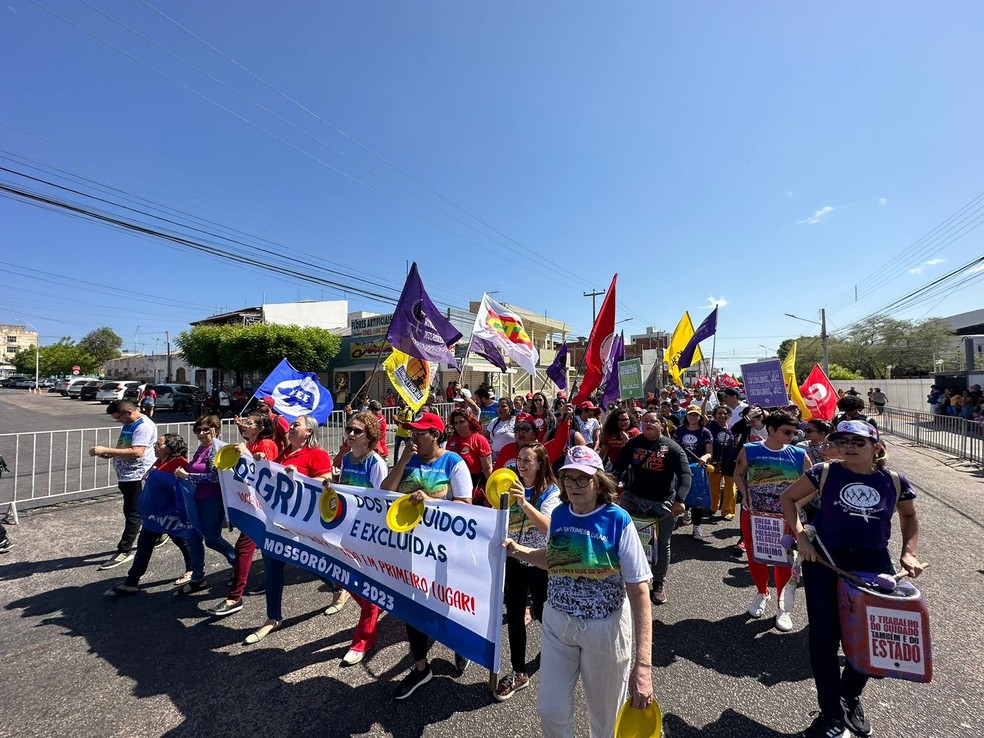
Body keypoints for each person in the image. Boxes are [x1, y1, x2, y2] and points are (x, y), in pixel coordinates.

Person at [780, 420, 925, 738]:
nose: (848, 446)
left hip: (873, 566)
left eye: (858, 441)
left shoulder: (895, 481)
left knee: (872, 638)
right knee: (823, 639)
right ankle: (830, 714)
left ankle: (850, 695)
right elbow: (788, 500)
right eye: (842, 440)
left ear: (877, 447)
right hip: (825, 564)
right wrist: (801, 536)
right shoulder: (825, 472)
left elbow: (910, 516)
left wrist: (909, 553)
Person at [504, 446, 654, 737]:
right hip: (558, 624)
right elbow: (555, 559)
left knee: (605, 717)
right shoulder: (559, 515)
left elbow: (639, 592)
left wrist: (644, 666)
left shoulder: (618, 520)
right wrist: (518, 550)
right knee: (550, 709)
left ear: (599, 481)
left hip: (605, 630)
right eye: (568, 479)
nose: (574, 486)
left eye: (582, 479)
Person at [382, 412, 473, 700]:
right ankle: (421, 668)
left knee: (448, 603)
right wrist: (402, 462)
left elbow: (465, 505)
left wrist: (431, 501)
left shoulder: (453, 463)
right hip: (410, 546)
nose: (413, 437)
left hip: (443, 548)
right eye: (411, 432)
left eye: (419, 433)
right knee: (414, 607)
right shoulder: (409, 460)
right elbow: (385, 492)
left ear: (435, 434)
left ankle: (461, 645)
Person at [245, 416, 333, 644]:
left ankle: (338, 587)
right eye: (291, 425)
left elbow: (326, 481)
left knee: (309, 563)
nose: (291, 428)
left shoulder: (318, 454)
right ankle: (273, 617)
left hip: (300, 524)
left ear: (309, 432)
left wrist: (300, 478)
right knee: (272, 567)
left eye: (296, 425)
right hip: (276, 522)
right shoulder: (284, 453)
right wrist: (263, 461)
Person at [494, 443, 561, 701]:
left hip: (540, 563)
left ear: (540, 464)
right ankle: (519, 671)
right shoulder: (507, 484)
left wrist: (523, 502)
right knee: (513, 615)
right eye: (519, 459)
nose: (521, 465)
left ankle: (560, 649)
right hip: (513, 560)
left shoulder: (551, 492)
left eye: (527, 461)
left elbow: (548, 529)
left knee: (546, 614)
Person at [733, 411, 810, 632]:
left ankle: (782, 606)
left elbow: (812, 484)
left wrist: (796, 504)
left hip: (785, 516)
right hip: (755, 513)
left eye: (795, 432)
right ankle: (762, 592)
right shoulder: (750, 450)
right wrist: (744, 492)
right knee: (755, 554)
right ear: (771, 430)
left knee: (784, 559)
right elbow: (738, 473)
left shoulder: (799, 454)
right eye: (787, 431)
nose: (792, 436)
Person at [611, 410, 691, 604]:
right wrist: (609, 491)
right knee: (622, 540)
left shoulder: (672, 448)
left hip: (662, 503)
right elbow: (617, 469)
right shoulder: (633, 443)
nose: (648, 424)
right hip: (632, 499)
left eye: (653, 421)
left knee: (662, 544)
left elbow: (686, 475)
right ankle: (622, 578)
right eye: (645, 420)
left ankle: (658, 583)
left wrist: (680, 500)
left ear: (661, 425)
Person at [206, 412, 280, 617]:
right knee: (272, 552)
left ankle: (234, 597)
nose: (244, 426)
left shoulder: (266, 444)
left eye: (249, 423)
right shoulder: (250, 443)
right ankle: (268, 580)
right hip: (251, 506)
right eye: (245, 423)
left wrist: (246, 452)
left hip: (262, 509)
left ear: (261, 428)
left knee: (244, 547)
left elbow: (268, 473)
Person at [104, 433, 194, 595]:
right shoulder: (160, 461)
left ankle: (192, 570)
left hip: (170, 514)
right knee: (145, 545)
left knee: (181, 541)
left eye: (159, 444)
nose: (155, 446)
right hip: (156, 513)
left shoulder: (180, 463)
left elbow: (182, 487)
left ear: (170, 448)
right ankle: (131, 582)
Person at [332, 412, 388, 665]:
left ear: (369, 437)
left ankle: (364, 638)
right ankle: (374, 607)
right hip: (345, 529)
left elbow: (381, 502)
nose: (351, 434)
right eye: (349, 430)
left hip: (367, 534)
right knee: (345, 577)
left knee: (365, 584)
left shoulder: (375, 463)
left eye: (357, 431)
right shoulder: (346, 458)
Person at [89, 400, 158, 570]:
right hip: (126, 474)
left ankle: (124, 550)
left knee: (133, 512)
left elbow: (137, 452)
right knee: (142, 507)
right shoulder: (130, 423)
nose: (119, 421)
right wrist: (112, 454)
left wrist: (107, 450)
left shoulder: (143, 426)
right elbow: (126, 446)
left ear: (128, 412)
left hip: (136, 474)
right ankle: (160, 532)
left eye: (119, 418)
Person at [172, 415, 237, 595]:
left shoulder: (215, 450)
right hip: (196, 499)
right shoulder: (202, 448)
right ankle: (197, 578)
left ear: (216, 430)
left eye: (206, 430)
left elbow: (215, 478)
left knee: (212, 539)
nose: (201, 433)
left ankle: (239, 564)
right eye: (198, 430)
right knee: (193, 538)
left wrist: (187, 476)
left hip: (212, 500)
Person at [673, 405, 714, 538]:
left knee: (698, 497)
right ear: (686, 416)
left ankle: (696, 526)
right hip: (681, 467)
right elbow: (673, 448)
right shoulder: (679, 430)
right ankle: (685, 511)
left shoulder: (705, 432)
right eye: (690, 414)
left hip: (697, 468)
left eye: (695, 415)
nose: (693, 417)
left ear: (700, 417)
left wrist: (705, 457)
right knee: (680, 494)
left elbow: (709, 453)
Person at [494, 407, 574, 471]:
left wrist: (565, 422)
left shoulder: (541, 451)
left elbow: (559, 442)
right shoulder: (506, 450)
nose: (521, 432)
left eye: (525, 429)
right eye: (517, 429)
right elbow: (495, 475)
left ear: (534, 433)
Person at [445, 409, 493, 492]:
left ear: (470, 422)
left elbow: (487, 469)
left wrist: (489, 490)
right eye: (456, 423)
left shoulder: (480, 440)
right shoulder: (451, 441)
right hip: (452, 483)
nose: (459, 426)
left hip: (474, 484)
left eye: (462, 422)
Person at [707, 406, 738, 521]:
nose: (722, 415)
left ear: (729, 416)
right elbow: (702, 413)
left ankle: (728, 511)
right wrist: (706, 398)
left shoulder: (732, 428)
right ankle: (713, 506)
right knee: (713, 485)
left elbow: (736, 443)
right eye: (719, 413)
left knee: (730, 486)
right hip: (714, 461)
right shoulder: (710, 426)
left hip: (729, 461)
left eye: (725, 413)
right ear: (715, 415)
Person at [485, 396, 516, 461]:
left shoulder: (516, 421)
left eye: (503, 406)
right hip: (495, 456)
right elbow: (485, 437)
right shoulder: (494, 421)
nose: (500, 409)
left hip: (511, 455)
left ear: (510, 408)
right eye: (498, 406)